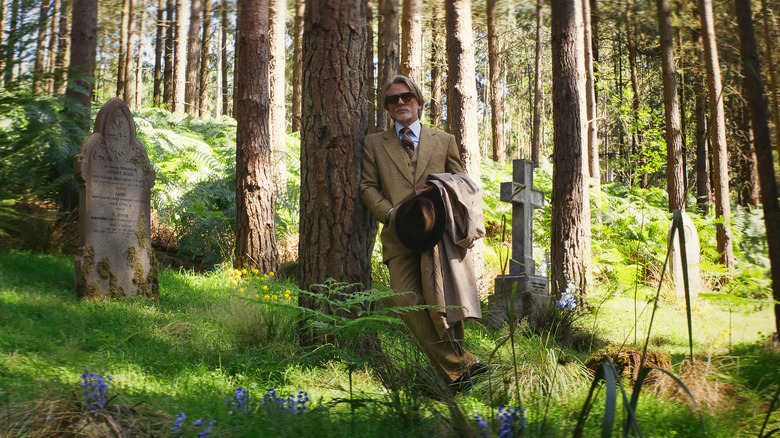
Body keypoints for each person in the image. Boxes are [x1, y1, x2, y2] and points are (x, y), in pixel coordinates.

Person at [360, 75, 486, 392]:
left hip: (439, 237)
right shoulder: (374, 143)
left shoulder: (443, 140)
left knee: (444, 305)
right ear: (388, 108)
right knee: (406, 303)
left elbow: (464, 184)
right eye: (392, 100)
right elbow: (367, 187)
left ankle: (459, 381)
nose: (400, 103)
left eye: (405, 97)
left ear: (418, 102)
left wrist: (440, 193)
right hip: (398, 236)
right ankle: (466, 366)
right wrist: (390, 214)